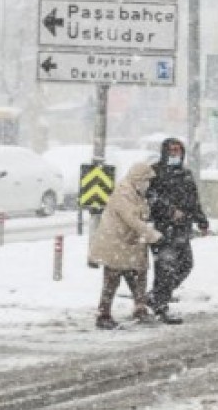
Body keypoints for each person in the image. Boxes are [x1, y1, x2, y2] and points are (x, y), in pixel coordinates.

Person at [89, 162, 163, 330]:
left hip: (129, 244)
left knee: (138, 275)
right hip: (116, 243)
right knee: (112, 279)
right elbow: (132, 220)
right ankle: (103, 315)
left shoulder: (136, 193)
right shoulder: (124, 193)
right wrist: (152, 235)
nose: (148, 184)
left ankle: (140, 309)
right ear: (137, 179)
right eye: (146, 180)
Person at [146, 138, 210, 324]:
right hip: (162, 229)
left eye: (178, 150)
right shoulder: (155, 173)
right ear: (164, 152)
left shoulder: (185, 174)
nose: (175, 154)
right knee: (165, 268)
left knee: (185, 265)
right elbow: (151, 198)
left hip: (182, 230)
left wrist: (201, 221)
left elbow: (193, 201)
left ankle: (156, 296)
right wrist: (169, 211)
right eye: (171, 150)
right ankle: (161, 305)